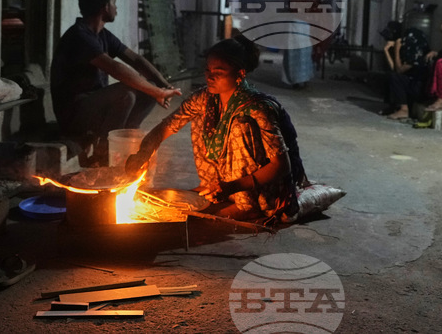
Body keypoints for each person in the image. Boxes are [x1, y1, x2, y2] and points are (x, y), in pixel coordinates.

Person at [126, 35, 307, 222]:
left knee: (239, 126)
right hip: (228, 185)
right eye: (207, 70)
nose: (210, 77)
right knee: (200, 117)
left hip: (267, 191)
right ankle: (214, 189)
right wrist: (143, 153)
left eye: (218, 72)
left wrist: (233, 186)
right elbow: (167, 126)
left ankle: (247, 206)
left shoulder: (257, 108)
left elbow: (281, 166)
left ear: (240, 74)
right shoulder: (204, 99)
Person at [50, 0, 181, 163]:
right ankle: (102, 156)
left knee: (148, 89)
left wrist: (163, 86)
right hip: (73, 114)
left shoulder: (102, 34)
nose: (116, 8)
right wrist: (157, 91)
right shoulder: (79, 36)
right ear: (105, 7)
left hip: (92, 106)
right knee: (125, 94)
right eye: (114, 2)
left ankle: (125, 141)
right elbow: (115, 68)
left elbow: (136, 60)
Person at [381, 20, 430, 120]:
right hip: (411, 84)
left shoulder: (415, 54)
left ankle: (404, 110)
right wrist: (386, 51)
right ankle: (393, 106)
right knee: (389, 75)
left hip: (419, 88)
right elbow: (394, 69)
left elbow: (399, 71)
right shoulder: (406, 50)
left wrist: (397, 49)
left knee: (394, 77)